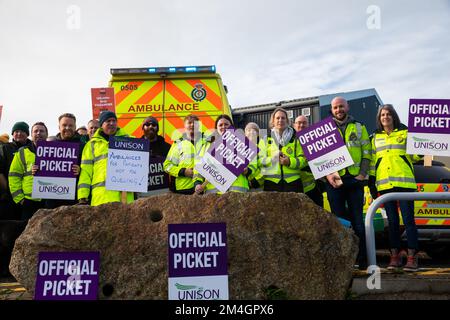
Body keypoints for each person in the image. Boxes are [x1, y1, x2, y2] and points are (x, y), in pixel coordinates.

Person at [369, 104, 421, 272]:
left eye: (389, 114)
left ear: (394, 116)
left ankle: (412, 256)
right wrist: (371, 183)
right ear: (379, 118)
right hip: (385, 185)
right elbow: (371, 162)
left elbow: (414, 156)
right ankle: (395, 256)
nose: (386, 117)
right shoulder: (375, 137)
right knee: (392, 223)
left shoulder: (405, 133)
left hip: (405, 184)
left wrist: (422, 149)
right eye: (383, 114)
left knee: (408, 221)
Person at [325, 97, 371, 269]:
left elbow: (367, 152)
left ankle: (362, 259)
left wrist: (362, 174)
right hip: (334, 180)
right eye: (336, 107)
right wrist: (327, 176)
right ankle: (345, 261)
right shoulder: (324, 129)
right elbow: (319, 158)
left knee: (358, 222)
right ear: (332, 109)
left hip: (354, 179)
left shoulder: (360, 127)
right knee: (340, 222)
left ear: (347, 107)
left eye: (341, 106)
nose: (339, 110)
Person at [77, 111, 134, 206]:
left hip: (125, 198)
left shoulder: (130, 141)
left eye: (114, 121)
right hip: (101, 198)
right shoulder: (91, 145)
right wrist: (83, 196)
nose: (112, 123)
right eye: (108, 121)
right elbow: (86, 172)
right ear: (101, 125)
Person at [194, 114, 251, 194]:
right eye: (220, 125)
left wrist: (247, 170)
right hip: (214, 194)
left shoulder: (241, 144)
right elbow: (199, 168)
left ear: (232, 127)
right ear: (216, 129)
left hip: (237, 192)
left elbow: (253, 166)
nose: (223, 127)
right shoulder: (207, 145)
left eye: (226, 124)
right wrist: (197, 183)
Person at [8, 122, 48, 221]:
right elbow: (13, 176)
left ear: (47, 134)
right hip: (29, 203)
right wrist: (20, 200)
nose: (38, 133)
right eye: (36, 131)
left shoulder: (57, 151)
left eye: (42, 131)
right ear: (31, 134)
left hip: (49, 200)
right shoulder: (22, 152)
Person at [260, 108, 307, 192]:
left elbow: (303, 159)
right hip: (271, 184)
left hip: (294, 184)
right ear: (273, 121)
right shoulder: (265, 139)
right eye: (277, 118)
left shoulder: (297, 138)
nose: (280, 120)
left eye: (283, 118)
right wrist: (272, 159)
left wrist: (289, 161)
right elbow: (260, 160)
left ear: (287, 121)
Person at [43, 113, 84, 209]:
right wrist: (37, 170)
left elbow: (89, 170)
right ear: (59, 127)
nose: (67, 128)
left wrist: (80, 171)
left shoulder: (84, 146)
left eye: (70, 125)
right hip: (52, 197)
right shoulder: (50, 146)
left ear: (75, 127)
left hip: (74, 197)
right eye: (64, 125)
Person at [164, 115, 206, 195]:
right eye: (189, 123)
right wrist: (183, 172)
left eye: (195, 123)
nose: (192, 125)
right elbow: (167, 166)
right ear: (184, 125)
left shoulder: (207, 141)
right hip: (185, 189)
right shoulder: (178, 143)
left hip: (205, 186)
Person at [0, 122, 33, 220]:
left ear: (27, 134)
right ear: (12, 134)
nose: (19, 134)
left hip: (28, 198)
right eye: (16, 131)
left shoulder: (33, 148)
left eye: (22, 131)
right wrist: (10, 192)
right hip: (9, 198)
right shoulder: (5, 148)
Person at [294, 115, 324, 207]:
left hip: (313, 188)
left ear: (308, 125)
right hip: (295, 189)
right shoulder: (290, 142)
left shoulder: (316, 140)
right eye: (299, 123)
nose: (302, 125)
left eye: (304, 123)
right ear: (294, 125)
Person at [138, 116, 171, 197]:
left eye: (154, 125)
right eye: (147, 124)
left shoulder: (167, 147)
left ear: (158, 128)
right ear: (143, 128)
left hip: (163, 194)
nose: (151, 127)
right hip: (143, 194)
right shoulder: (137, 147)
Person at [244, 122, 265, 190]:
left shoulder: (262, 148)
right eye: (249, 130)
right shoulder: (241, 148)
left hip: (256, 186)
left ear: (258, 134)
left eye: (254, 130)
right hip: (243, 184)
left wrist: (255, 182)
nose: (251, 132)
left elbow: (266, 168)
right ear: (245, 133)